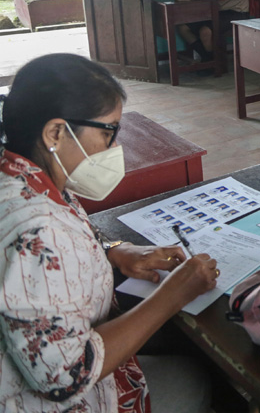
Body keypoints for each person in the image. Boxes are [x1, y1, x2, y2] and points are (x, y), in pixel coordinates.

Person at [0, 54, 218, 412]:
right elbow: (66, 377)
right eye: (107, 132)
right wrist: (171, 296)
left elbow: (62, 241)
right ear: (56, 132)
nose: (115, 147)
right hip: (51, 400)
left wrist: (116, 251)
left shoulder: (22, 176)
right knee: (193, 376)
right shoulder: (37, 227)